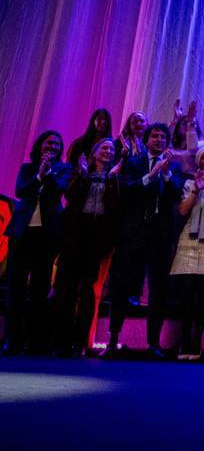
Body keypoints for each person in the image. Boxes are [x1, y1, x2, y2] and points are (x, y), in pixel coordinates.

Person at [103, 123, 184, 359]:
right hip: (134, 233)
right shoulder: (133, 162)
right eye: (155, 136)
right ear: (147, 140)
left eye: (163, 137)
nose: (159, 140)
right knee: (121, 286)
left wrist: (165, 174)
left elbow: (175, 196)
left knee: (158, 289)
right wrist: (151, 175)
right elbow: (127, 190)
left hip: (160, 235)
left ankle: (153, 343)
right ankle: (113, 340)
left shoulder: (174, 166)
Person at [2, 131, 71, 356]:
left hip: (46, 235)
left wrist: (47, 174)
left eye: (57, 144)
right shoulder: (27, 168)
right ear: (40, 145)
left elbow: (58, 191)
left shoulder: (64, 169)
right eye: (49, 143)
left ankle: (35, 341)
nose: (53, 147)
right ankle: (12, 339)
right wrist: (38, 176)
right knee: (16, 287)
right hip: (22, 233)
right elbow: (21, 191)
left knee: (40, 288)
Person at [52, 138, 121, 358]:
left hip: (97, 236)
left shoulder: (115, 176)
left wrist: (111, 180)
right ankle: (62, 341)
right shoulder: (81, 172)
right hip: (76, 233)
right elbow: (70, 197)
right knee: (69, 288)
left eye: (111, 149)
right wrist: (82, 176)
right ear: (94, 152)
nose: (108, 151)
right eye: (104, 148)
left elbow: (116, 207)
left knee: (87, 289)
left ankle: (80, 341)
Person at [171, 146, 204, 360]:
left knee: (203, 293)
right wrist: (196, 188)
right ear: (198, 162)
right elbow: (183, 210)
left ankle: (196, 343)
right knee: (186, 292)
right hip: (190, 236)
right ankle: (184, 341)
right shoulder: (189, 182)